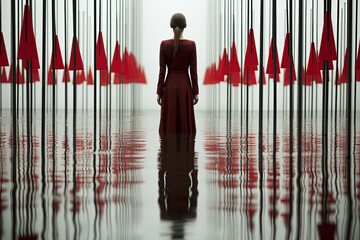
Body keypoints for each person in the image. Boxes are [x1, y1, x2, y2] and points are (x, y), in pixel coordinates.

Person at [156, 13, 199, 132]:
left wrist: (159, 92)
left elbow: (162, 71)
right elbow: (193, 71)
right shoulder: (191, 45)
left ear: (171, 25)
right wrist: (195, 92)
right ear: (185, 26)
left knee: (168, 126)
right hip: (185, 86)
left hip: (169, 86)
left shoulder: (164, 45)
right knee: (186, 128)